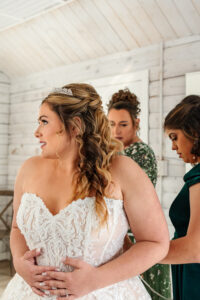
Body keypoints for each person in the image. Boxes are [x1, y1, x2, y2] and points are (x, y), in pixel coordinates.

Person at [2, 83, 169, 300]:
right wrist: (18, 261)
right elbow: (17, 228)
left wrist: (95, 280)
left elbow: (156, 244)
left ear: (75, 126)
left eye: (44, 121)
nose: (37, 132)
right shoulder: (29, 168)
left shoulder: (122, 170)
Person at [107, 88, 171, 300]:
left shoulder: (141, 154)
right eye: (111, 124)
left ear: (136, 123)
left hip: (138, 241)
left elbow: (129, 203)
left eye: (123, 124)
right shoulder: (113, 154)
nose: (116, 130)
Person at [161, 95, 200, 300]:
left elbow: (195, 248)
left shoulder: (199, 178)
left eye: (175, 137)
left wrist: (140, 254)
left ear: (193, 133)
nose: (173, 147)